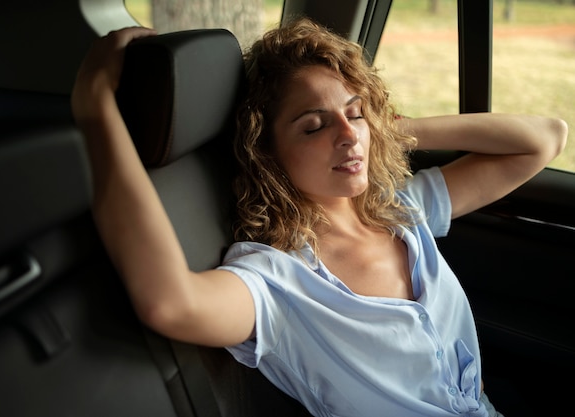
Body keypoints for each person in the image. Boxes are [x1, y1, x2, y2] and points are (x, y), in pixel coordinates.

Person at [71, 17, 567, 417]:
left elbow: (544, 137)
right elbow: (170, 303)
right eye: (313, 127)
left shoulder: (401, 208)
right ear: (268, 152)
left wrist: (385, 128)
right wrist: (95, 107)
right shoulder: (277, 282)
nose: (349, 138)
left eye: (354, 114)